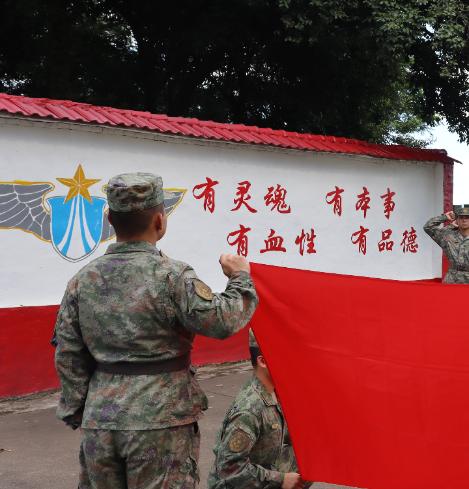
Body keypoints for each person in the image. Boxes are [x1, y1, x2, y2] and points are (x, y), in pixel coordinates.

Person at [52, 172, 257, 489]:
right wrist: (240, 278)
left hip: (100, 422)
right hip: (161, 421)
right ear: (160, 221)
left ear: (109, 219)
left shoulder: (82, 279)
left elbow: (68, 355)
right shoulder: (172, 275)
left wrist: (80, 409)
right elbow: (222, 321)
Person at [208, 330, 311, 489]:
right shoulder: (249, 410)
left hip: (259, 469)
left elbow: (287, 433)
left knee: (312, 455)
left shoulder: (273, 390)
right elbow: (228, 468)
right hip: (233, 483)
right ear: (263, 361)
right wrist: (281, 479)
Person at [423, 208, 469, 284]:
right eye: (461, 217)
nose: (464, 220)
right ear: (457, 220)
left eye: (467, 218)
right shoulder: (448, 237)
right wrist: (444, 217)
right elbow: (428, 227)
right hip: (451, 279)